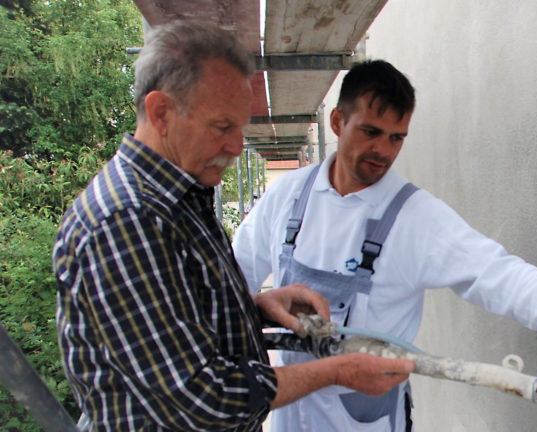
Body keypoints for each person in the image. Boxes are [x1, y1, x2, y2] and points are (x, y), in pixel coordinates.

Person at [232, 59, 537, 432]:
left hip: (364, 421)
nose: (384, 151)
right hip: (290, 411)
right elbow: (232, 275)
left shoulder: (413, 216)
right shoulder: (287, 197)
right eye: (371, 132)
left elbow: (494, 273)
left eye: (397, 138)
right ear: (338, 122)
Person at [53, 22, 413, 431]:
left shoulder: (180, 194)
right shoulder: (128, 221)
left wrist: (254, 308)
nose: (237, 146)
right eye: (222, 127)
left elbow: (175, 322)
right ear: (161, 112)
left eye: (240, 127)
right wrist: (336, 371)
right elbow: (200, 397)